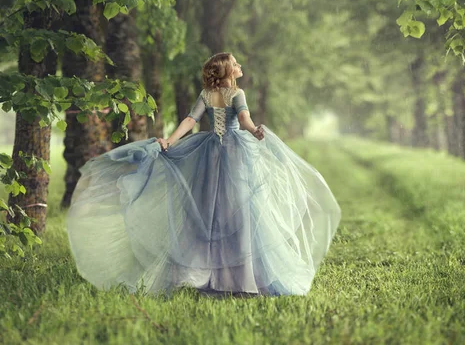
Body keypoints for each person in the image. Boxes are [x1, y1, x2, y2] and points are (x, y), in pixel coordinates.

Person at [66, 52, 342, 298]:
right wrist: (255, 131)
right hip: (234, 154)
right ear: (226, 71)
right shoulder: (237, 93)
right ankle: (237, 277)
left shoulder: (208, 95)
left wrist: (171, 141)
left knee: (209, 211)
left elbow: (190, 120)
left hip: (209, 153)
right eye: (235, 64)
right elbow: (243, 121)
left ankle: (210, 274)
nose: (239, 65)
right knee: (238, 210)